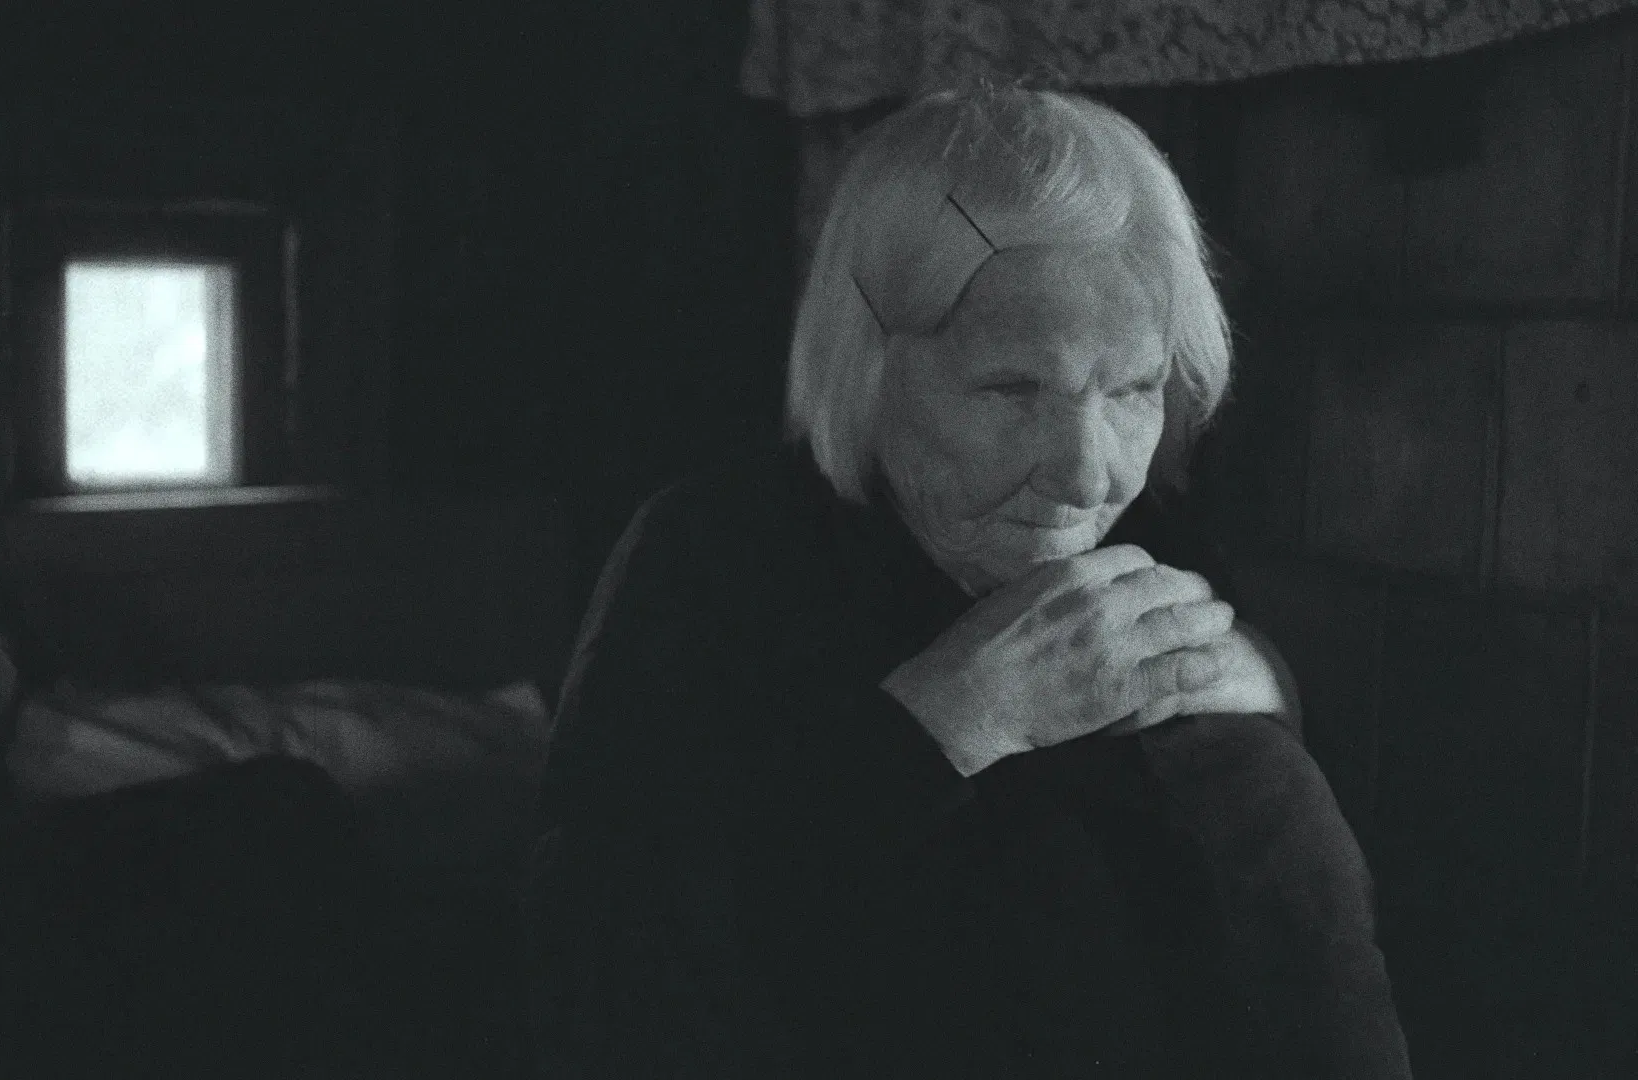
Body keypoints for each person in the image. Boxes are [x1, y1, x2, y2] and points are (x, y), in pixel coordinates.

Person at [525, 84, 1412, 1078]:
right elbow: (602, 977)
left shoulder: (1152, 535)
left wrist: (1262, 683)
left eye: (1133, 389)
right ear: (867, 364)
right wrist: (951, 719)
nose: (1089, 477)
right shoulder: (707, 558)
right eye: (1012, 389)